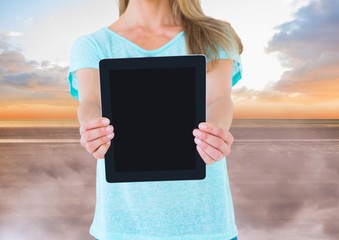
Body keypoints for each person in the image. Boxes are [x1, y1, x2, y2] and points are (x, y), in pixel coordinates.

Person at [67, 0, 243, 239]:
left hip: (206, 225)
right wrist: (92, 129)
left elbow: (218, 100)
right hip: (124, 228)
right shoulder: (92, 45)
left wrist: (214, 134)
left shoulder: (214, 34)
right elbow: (91, 103)